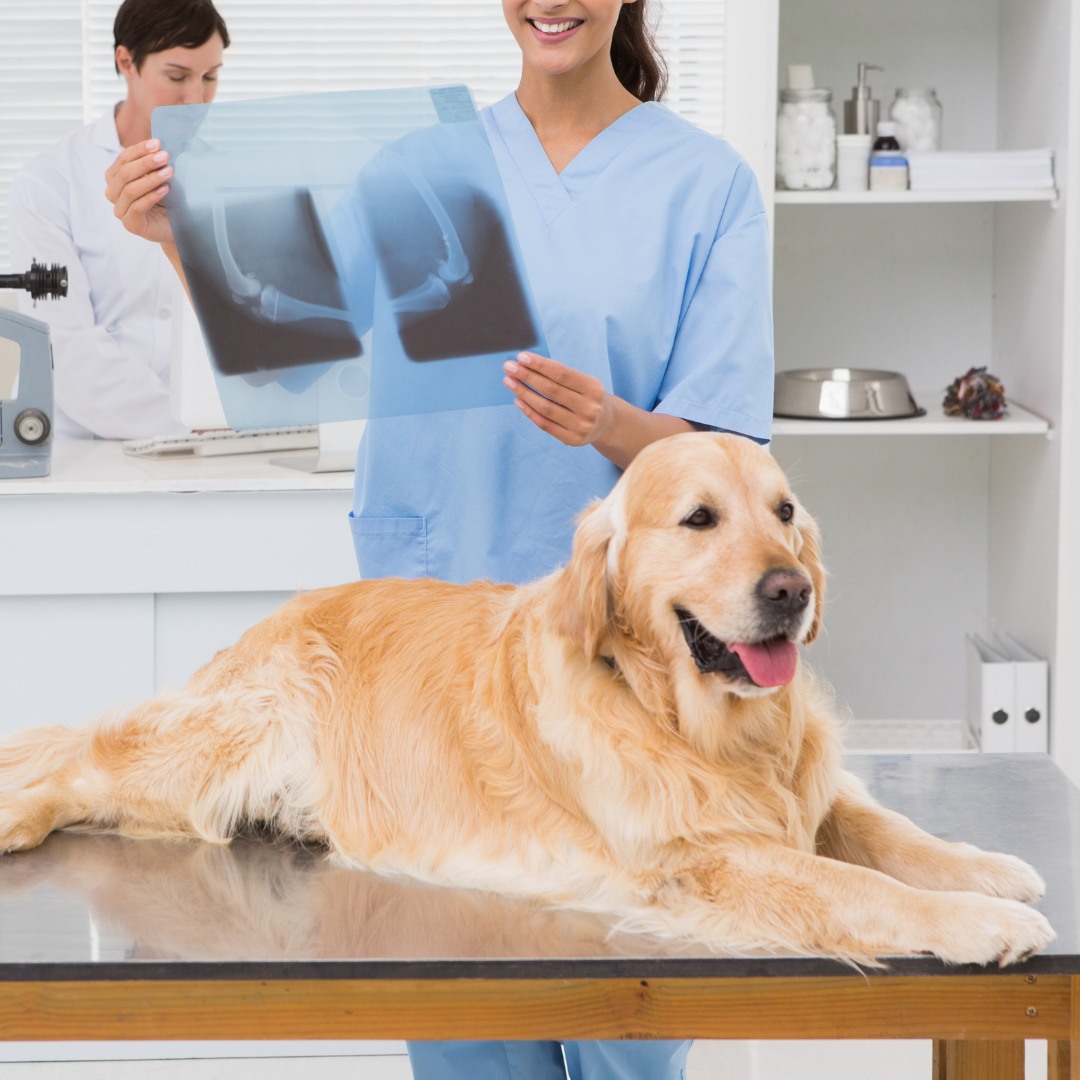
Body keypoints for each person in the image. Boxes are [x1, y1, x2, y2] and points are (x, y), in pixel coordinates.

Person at [104, 1, 774, 1076]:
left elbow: (732, 457)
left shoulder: (705, 184)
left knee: (627, 1023)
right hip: (434, 656)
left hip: (617, 664)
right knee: (464, 1018)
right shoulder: (421, 165)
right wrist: (175, 239)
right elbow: (294, 358)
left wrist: (611, 427)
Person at [8, 0, 229, 440]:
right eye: (177, 76)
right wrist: (188, 427)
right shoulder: (50, 182)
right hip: (87, 449)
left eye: (210, 77)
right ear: (126, 61)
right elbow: (67, 349)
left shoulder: (232, 175)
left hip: (214, 443)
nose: (196, 99)